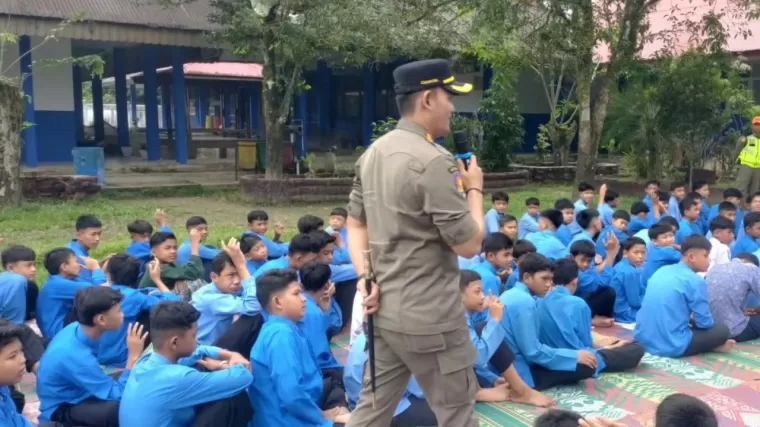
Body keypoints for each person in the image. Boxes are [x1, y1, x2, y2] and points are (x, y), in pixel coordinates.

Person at [345, 59, 485, 427]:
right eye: (448, 96)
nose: (453, 107)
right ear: (427, 99)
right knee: (457, 414)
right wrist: (475, 189)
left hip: (386, 311)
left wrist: (365, 278)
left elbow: (354, 223)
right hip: (432, 321)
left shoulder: (373, 153)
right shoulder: (434, 161)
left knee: (371, 411)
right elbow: (469, 245)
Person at [119, 301, 254, 427]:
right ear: (175, 342)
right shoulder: (176, 378)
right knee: (232, 399)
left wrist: (228, 355)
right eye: (194, 335)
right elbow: (243, 377)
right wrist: (229, 365)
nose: (197, 340)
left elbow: (199, 351)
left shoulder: (145, 361)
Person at [250, 269, 350, 426]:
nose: (303, 299)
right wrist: (321, 417)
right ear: (277, 302)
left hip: (301, 407)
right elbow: (291, 395)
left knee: (334, 385)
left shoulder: (286, 327)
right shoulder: (280, 335)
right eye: (296, 294)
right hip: (286, 420)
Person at [37, 287, 148, 426]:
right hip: (63, 406)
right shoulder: (75, 355)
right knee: (123, 408)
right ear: (101, 319)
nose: (123, 315)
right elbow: (117, 394)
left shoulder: (78, 328)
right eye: (119, 311)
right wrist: (133, 356)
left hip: (80, 389)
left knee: (143, 381)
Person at [500, 253, 596, 390]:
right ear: (527, 277)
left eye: (551, 279)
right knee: (586, 366)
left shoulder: (511, 294)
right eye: (544, 279)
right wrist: (574, 356)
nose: (549, 284)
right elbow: (532, 352)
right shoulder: (525, 301)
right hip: (519, 371)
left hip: (507, 365)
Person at [460, 270, 555, 407]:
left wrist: (492, 378)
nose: (483, 297)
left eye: (483, 291)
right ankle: (479, 393)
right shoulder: (457, 319)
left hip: (458, 377)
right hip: (435, 389)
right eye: (477, 292)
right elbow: (477, 357)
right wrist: (495, 319)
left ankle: (516, 389)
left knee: (483, 327)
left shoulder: (464, 315)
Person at [538, 259, 645, 376]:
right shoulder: (577, 304)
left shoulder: (540, 300)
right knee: (637, 348)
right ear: (575, 281)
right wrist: (607, 347)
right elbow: (586, 342)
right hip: (579, 359)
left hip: (552, 356)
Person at [634, 235, 736, 357]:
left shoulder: (662, 270)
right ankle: (711, 346)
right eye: (706, 255)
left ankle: (708, 344)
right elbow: (705, 323)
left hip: (643, 338)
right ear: (691, 257)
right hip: (672, 344)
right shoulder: (695, 280)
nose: (709, 260)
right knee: (721, 329)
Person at [96, 254, 179, 368]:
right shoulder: (134, 297)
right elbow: (174, 303)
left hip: (95, 356)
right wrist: (157, 279)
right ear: (138, 275)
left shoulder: (96, 291)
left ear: (109, 275)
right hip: (120, 361)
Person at [192, 239, 260, 345]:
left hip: (217, 346)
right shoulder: (209, 298)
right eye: (231, 275)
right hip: (203, 354)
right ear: (214, 277)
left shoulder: (227, 289)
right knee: (254, 318)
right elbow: (253, 306)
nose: (237, 281)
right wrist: (241, 267)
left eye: (239, 274)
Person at [0, 320, 66, 427]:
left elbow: (18, 420)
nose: (23, 359)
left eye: (21, 351)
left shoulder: (3, 386)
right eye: (12, 356)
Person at [37, 248, 102, 339]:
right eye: (76, 261)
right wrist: (96, 268)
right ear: (64, 267)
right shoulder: (58, 285)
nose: (79, 265)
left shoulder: (59, 281)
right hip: (58, 333)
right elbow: (101, 291)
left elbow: (87, 284)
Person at [298, 262, 343, 372]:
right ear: (327, 285)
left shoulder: (304, 303)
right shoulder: (312, 312)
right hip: (316, 369)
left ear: (301, 285)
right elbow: (335, 327)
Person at [706, 253, 760, 342]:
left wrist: (739, 311)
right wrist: (757, 310)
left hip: (709, 329)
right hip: (733, 331)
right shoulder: (752, 269)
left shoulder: (715, 268)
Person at [138, 230, 205, 301]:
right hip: (150, 306)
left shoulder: (167, 263)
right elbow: (194, 272)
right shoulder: (156, 267)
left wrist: (180, 279)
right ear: (154, 252)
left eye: (175, 248)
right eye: (167, 248)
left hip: (159, 302)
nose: (173, 251)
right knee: (196, 283)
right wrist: (194, 245)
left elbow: (189, 271)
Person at [569, 240, 618, 326]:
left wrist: (610, 254)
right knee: (608, 291)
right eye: (582, 260)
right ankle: (591, 320)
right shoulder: (575, 272)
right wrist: (611, 255)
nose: (585, 264)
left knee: (608, 291)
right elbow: (599, 283)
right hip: (572, 307)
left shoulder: (584, 267)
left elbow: (595, 274)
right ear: (572, 257)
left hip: (579, 302)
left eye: (588, 261)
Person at [610, 237, 647, 323]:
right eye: (636, 252)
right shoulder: (630, 272)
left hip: (617, 310)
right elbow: (635, 302)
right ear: (625, 253)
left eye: (643, 252)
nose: (640, 256)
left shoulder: (619, 265)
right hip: (626, 313)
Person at [253, 233, 320, 279]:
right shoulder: (277, 274)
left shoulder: (288, 267)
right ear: (298, 257)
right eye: (312, 260)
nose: (314, 263)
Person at [0, 245, 38, 324]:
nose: (34, 269)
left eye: (34, 265)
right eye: (28, 265)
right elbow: (13, 323)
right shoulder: (16, 281)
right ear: (10, 268)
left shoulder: (30, 286)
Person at [66, 215, 105, 284]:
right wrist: (96, 268)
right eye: (93, 234)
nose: (97, 238)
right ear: (79, 235)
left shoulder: (72, 246)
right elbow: (98, 286)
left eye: (99, 234)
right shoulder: (76, 256)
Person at [734, 117, 760, 198]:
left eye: (759, 125)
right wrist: (736, 165)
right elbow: (736, 152)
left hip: (758, 169)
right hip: (746, 166)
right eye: (756, 124)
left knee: (755, 191)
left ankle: (753, 209)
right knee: (740, 189)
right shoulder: (746, 139)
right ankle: (738, 208)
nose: (758, 127)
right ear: (752, 126)